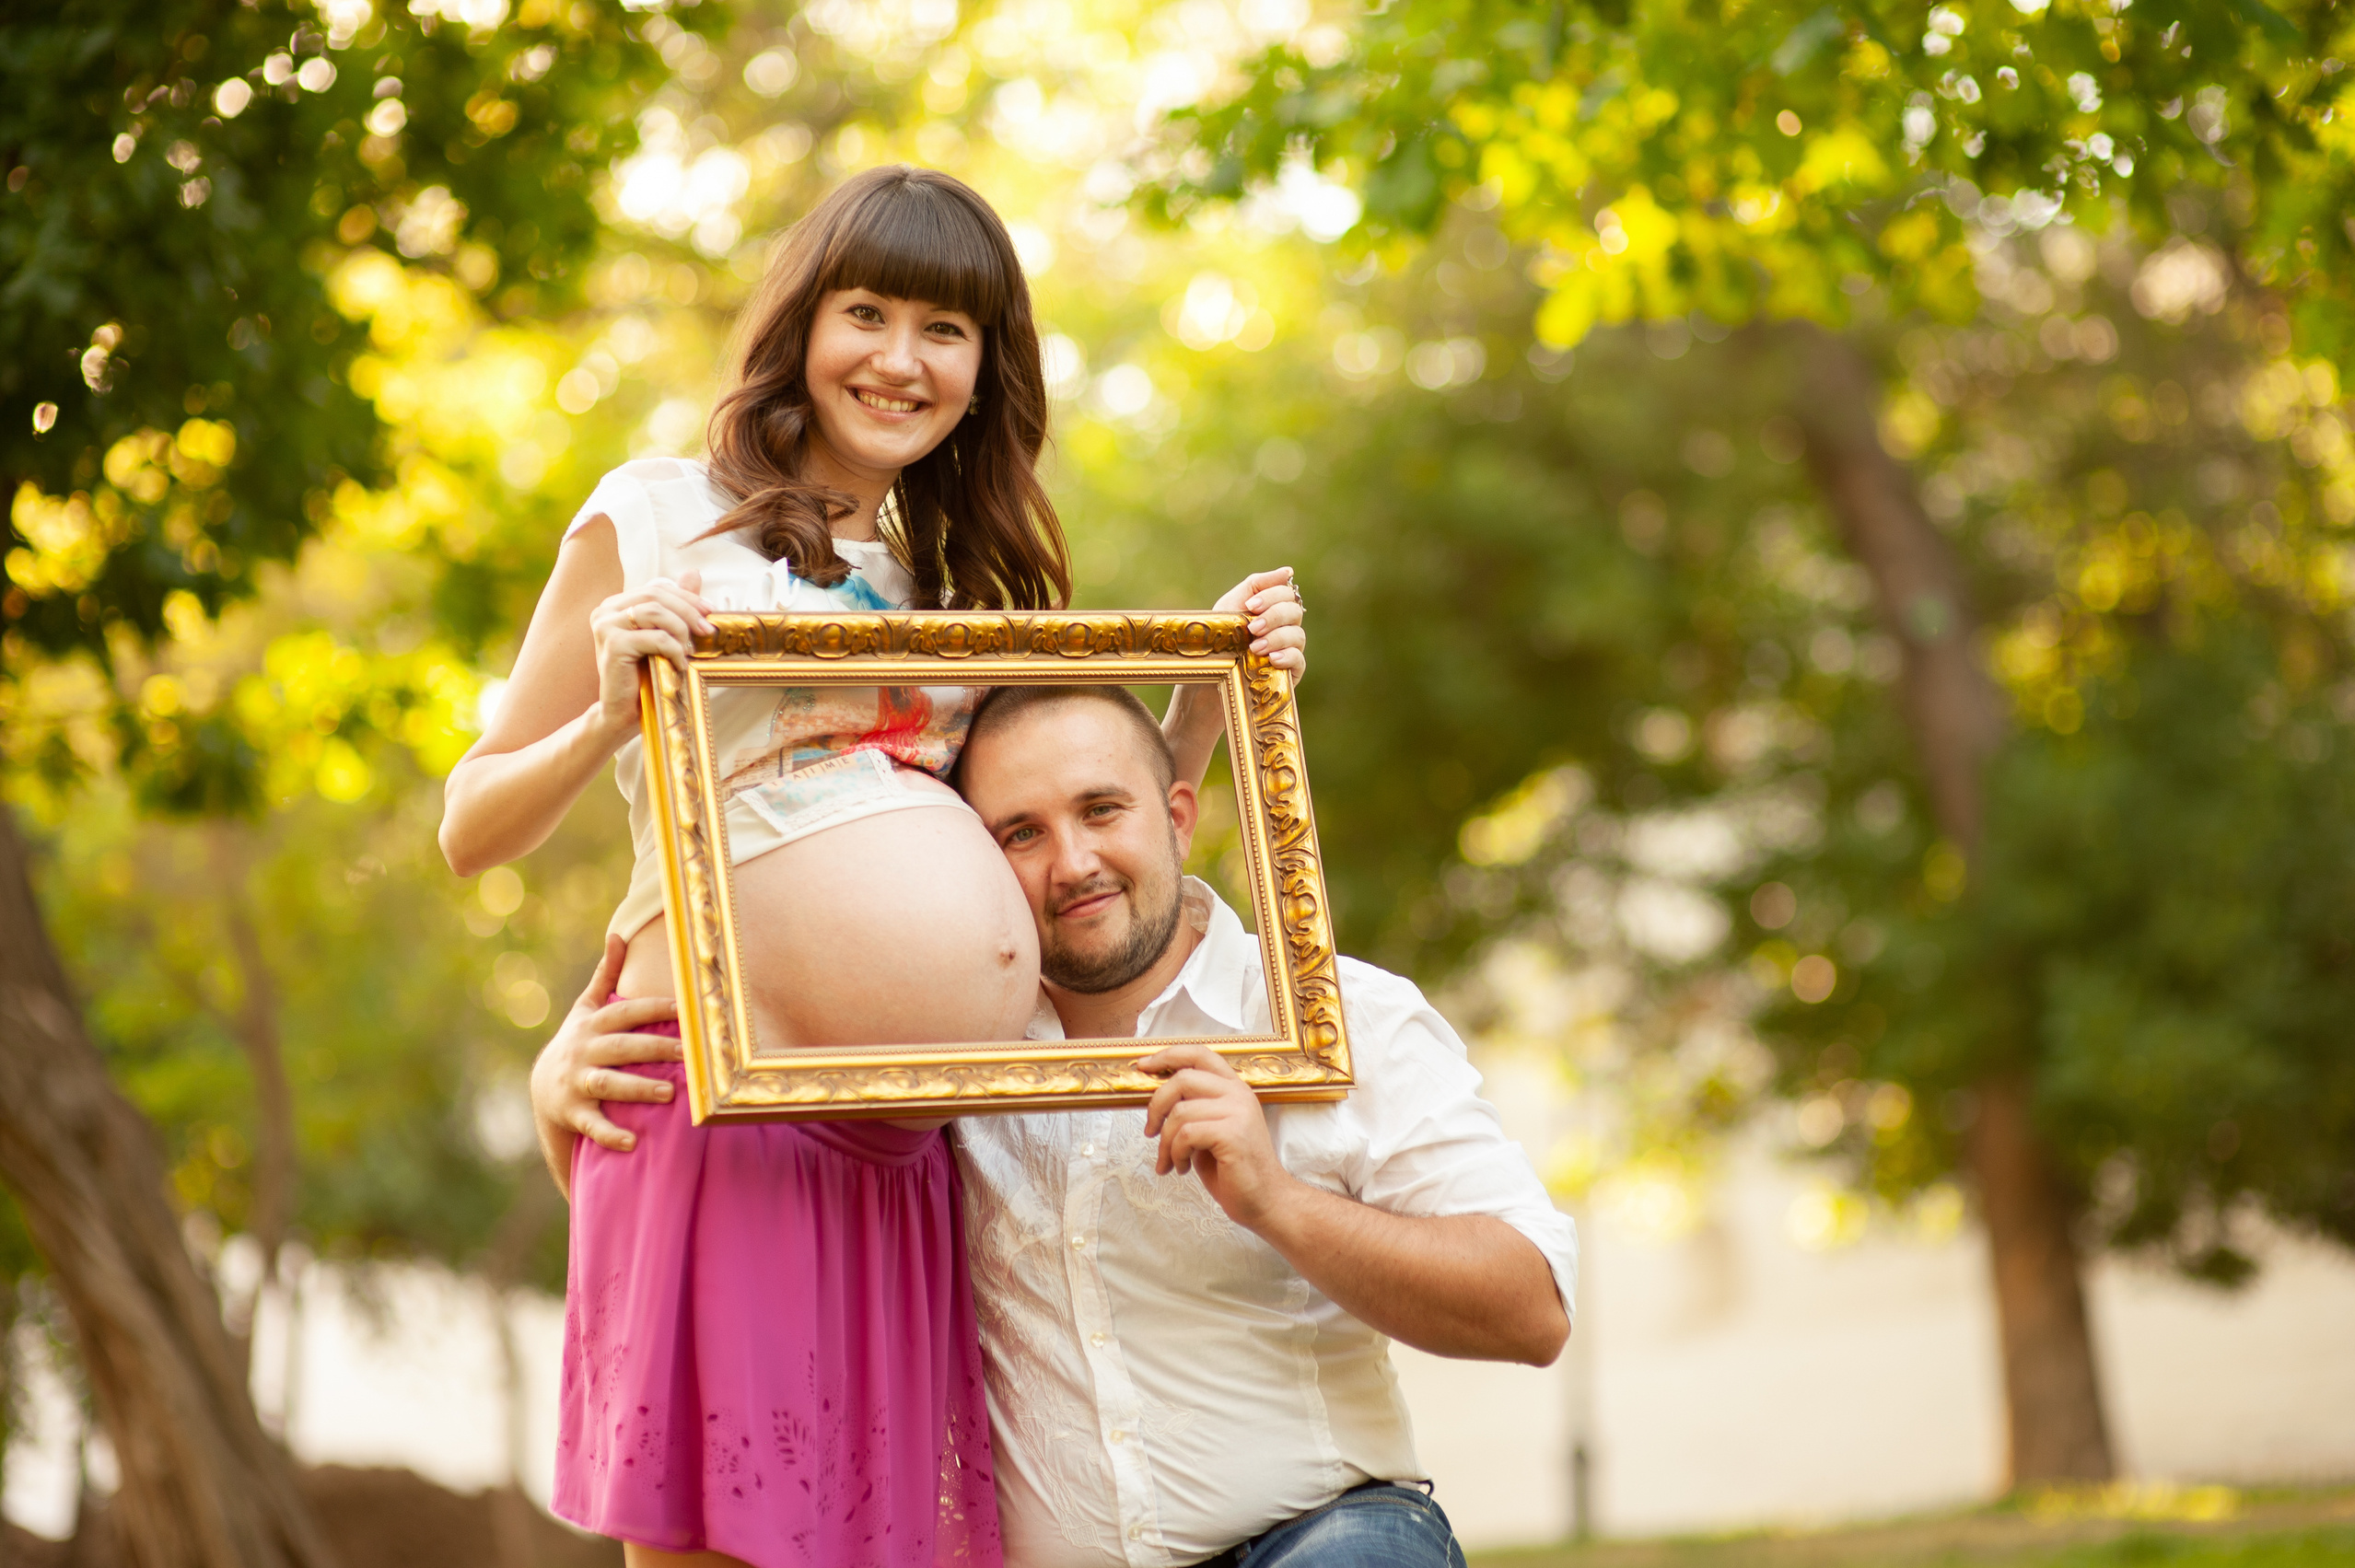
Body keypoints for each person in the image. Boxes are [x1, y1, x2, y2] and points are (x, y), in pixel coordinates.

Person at [439, 166, 1303, 1568]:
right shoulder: (658, 516)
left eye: (945, 330)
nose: (901, 360)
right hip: (728, 1113)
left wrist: (1220, 687)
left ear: (985, 368)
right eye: (869, 313)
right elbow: (472, 824)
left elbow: (1065, 840)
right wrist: (612, 711)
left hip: (906, 1149)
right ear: (803, 324)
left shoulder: (945, 583)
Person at [535, 685, 1575, 1568]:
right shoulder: (926, 1066)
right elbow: (738, 1230)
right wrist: (569, 1105)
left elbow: (1529, 1310)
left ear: (1178, 813)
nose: (1071, 861)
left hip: (1318, 1538)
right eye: (1018, 833)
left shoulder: (1335, 1013)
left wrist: (1278, 1199)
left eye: (1101, 809)